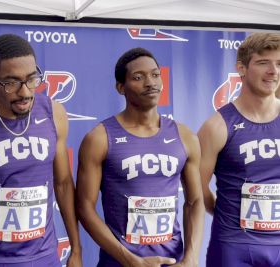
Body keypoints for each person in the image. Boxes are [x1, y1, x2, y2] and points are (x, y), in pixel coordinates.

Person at [0, 34, 82, 267]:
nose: (25, 92)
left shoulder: (54, 113)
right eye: (12, 83)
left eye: (32, 79)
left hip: (46, 256)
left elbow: (62, 183)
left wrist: (76, 249)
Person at [77, 47, 204, 267]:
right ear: (120, 88)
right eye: (138, 77)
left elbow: (194, 202)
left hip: (172, 261)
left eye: (155, 75)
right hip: (120, 263)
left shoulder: (184, 136)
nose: (150, 83)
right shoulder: (99, 138)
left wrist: (191, 258)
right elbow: (85, 208)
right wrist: (130, 260)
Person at [198, 33, 280, 266]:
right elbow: (196, 187)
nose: (273, 71)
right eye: (263, 62)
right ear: (241, 68)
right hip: (235, 245)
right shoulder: (217, 126)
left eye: (279, 64)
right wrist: (221, 210)